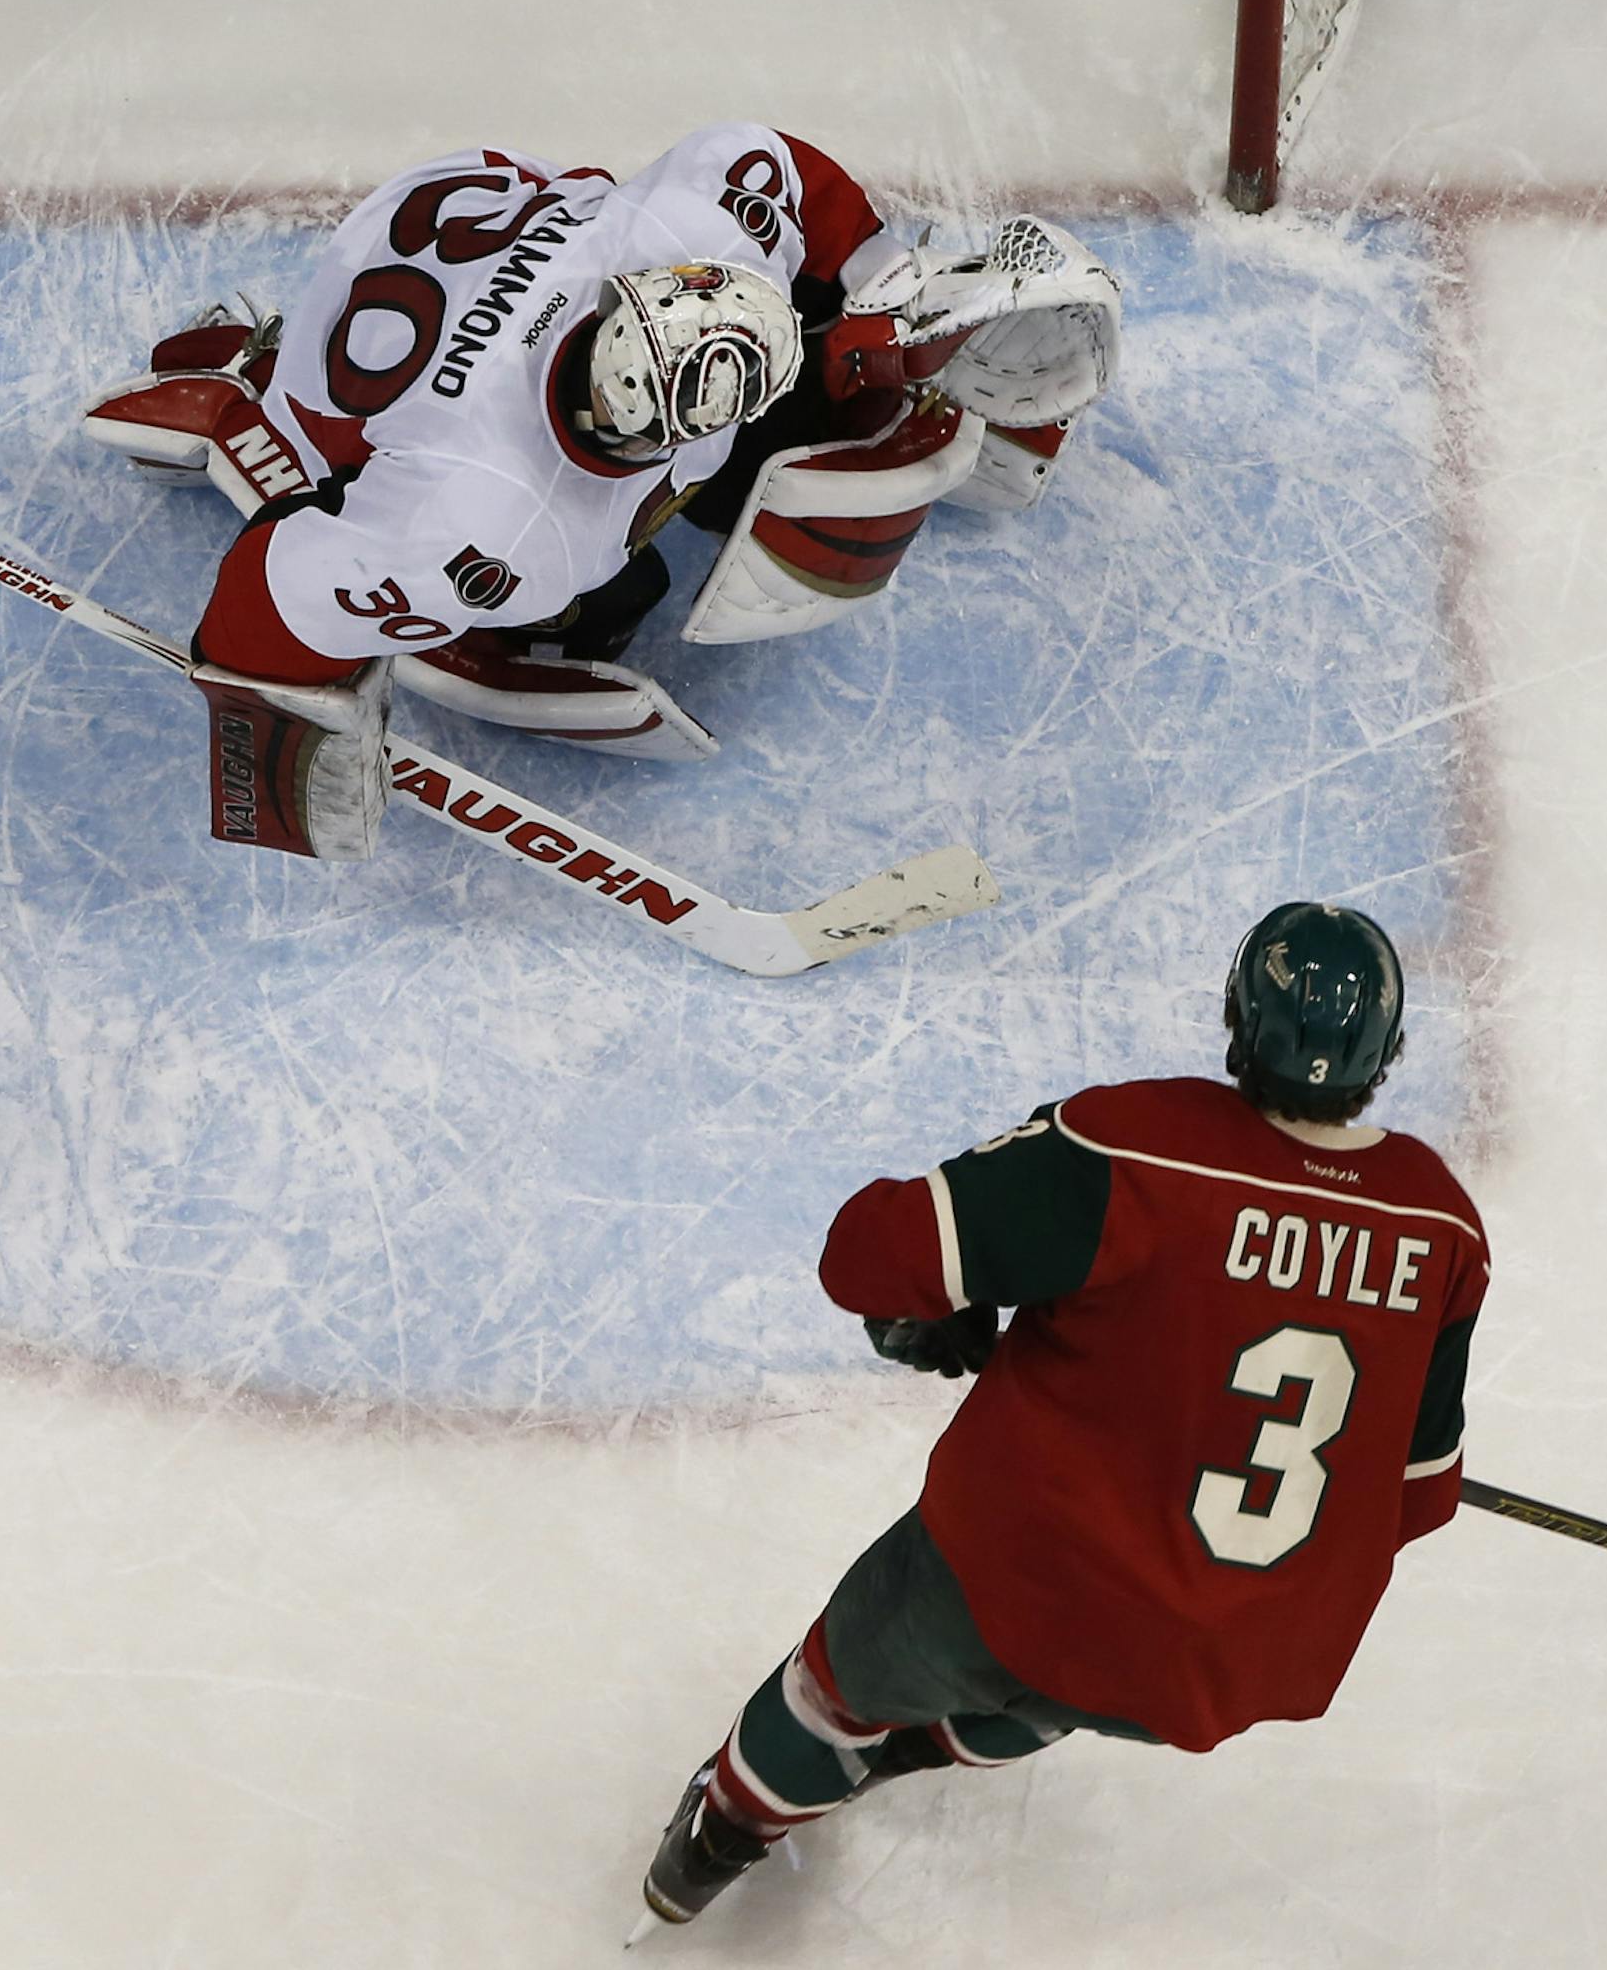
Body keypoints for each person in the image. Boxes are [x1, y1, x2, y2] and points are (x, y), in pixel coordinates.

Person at [636, 902, 1489, 1934]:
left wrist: (930, 1314)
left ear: (1236, 1014)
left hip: (1007, 1583)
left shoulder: (1138, 1145)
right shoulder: (1441, 1222)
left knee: (833, 1689)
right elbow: (1420, 1497)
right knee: (1060, 1691)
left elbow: (868, 1256)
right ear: (1389, 1052)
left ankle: (714, 1841)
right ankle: (918, 1746)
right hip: (1211, 1668)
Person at [81, 126, 1119, 859]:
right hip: (368, 366)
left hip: (476, 226)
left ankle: (884, 357)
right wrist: (288, 732)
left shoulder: (696, 234)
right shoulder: (490, 528)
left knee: (831, 359)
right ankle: (252, 362)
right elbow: (265, 592)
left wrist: (884, 285)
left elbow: (783, 170)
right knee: (608, 601)